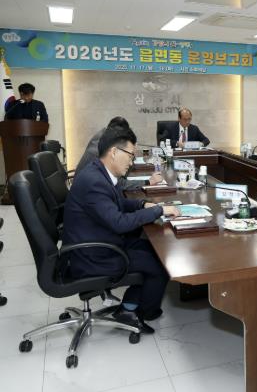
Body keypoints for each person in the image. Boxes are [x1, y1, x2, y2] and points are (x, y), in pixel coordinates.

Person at [62, 126, 180, 333]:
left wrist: (143, 204)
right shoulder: (94, 181)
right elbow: (119, 222)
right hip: (93, 256)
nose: (132, 161)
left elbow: (118, 203)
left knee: (154, 250)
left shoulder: (99, 172)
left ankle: (128, 307)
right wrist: (159, 210)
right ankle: (141, 312)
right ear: (114, 152)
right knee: (159, 265)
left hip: (99, 241)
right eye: (130, 155)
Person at [75, 116, 163, 189]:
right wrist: (148, 182)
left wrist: (130, 153)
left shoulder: (104, 138)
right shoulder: (100, 149)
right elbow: (119, 183)